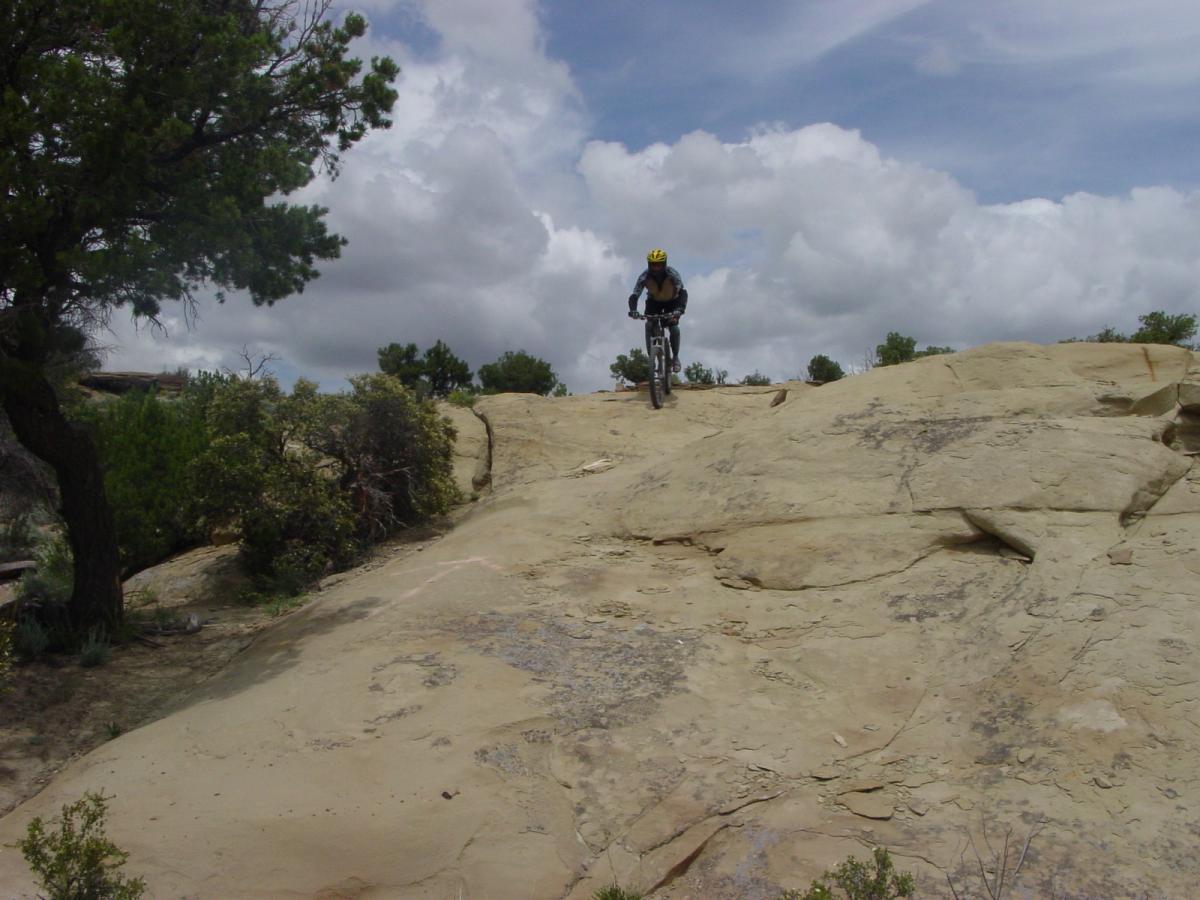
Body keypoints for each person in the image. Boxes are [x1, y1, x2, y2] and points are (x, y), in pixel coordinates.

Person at [628, 248, 688, 372]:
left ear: (664, 263)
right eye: (653, 264)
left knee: (674, 328)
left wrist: (680, 309)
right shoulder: (644, 276)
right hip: (653, 303)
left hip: (672, 302)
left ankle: (675, 357)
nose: (656, 267)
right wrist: (633, 310)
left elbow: (682, 292)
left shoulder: (672, 274)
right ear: (649, 264)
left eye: (659, 264)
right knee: (649, 324)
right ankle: (651, 359)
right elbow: (635, 295)